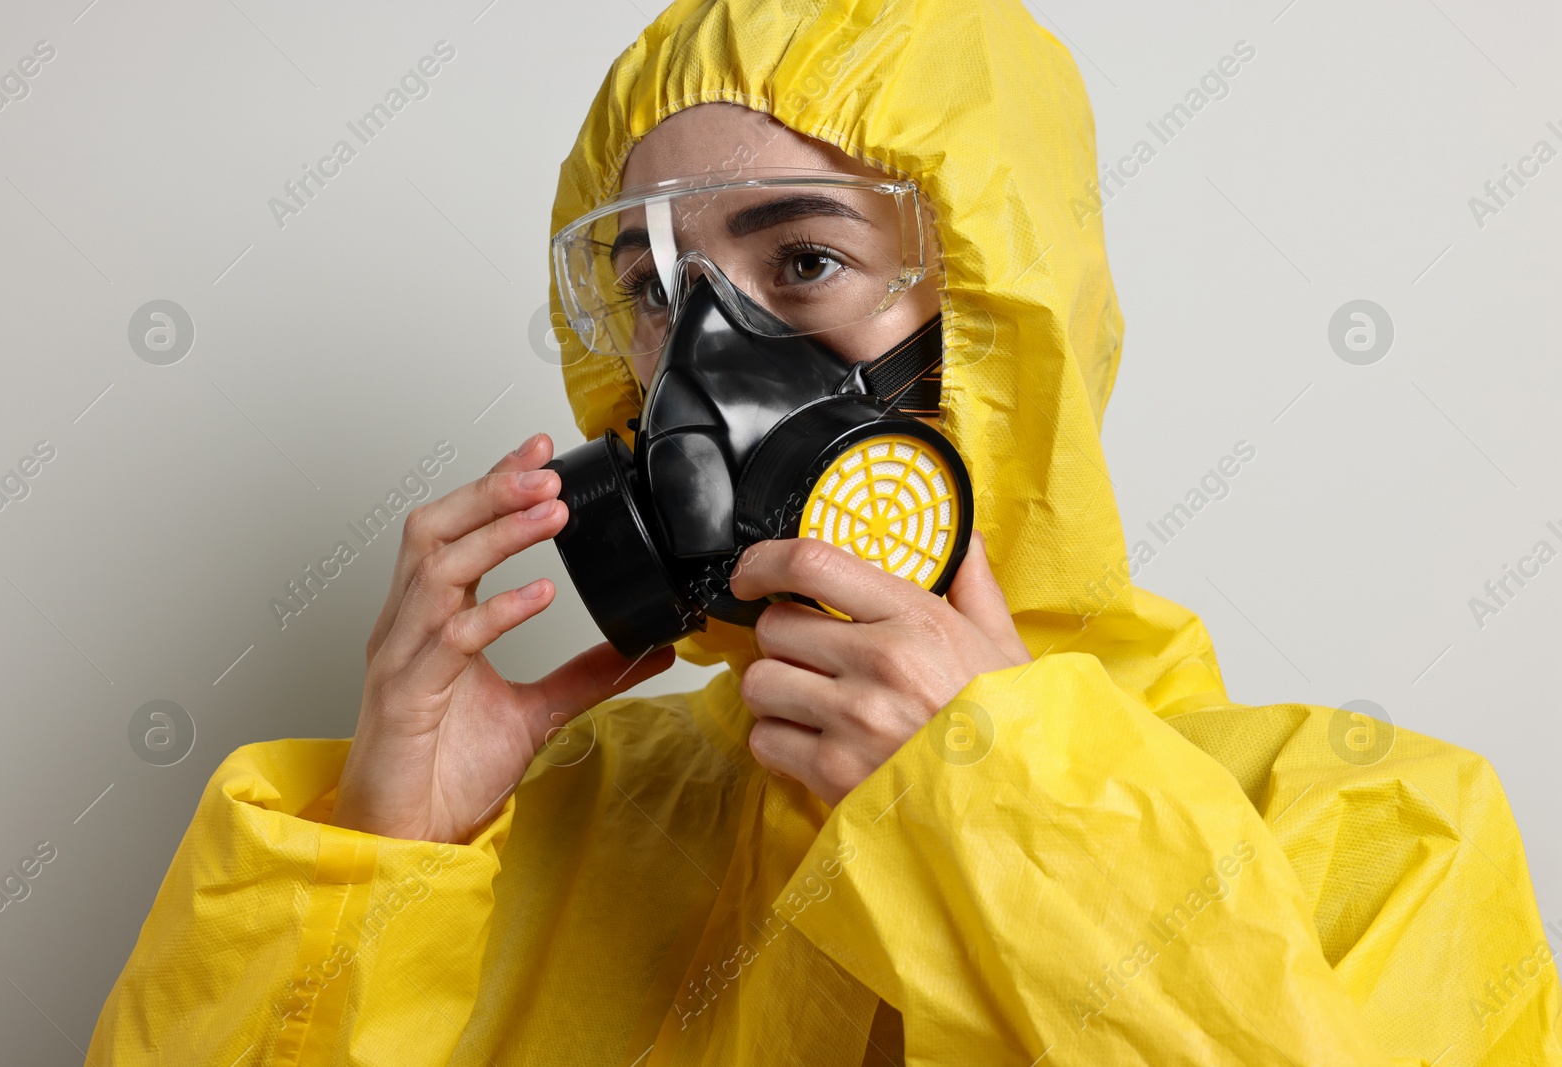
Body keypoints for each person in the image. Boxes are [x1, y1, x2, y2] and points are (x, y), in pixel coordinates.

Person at [90, 0, 1561, 1063]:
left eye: (805, 258)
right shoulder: (540, 837)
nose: (699, 370)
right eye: (655, 294)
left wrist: (1006, 813)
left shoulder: (1371, 838)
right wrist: (370, 868)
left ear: (993, 315)